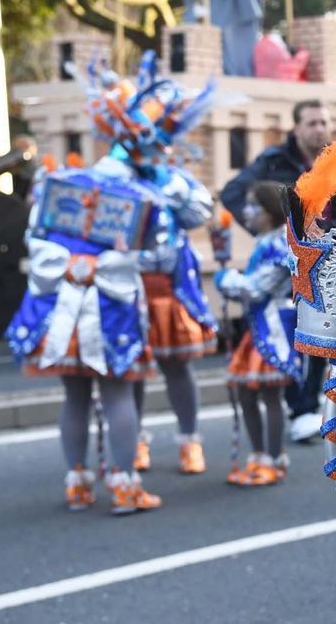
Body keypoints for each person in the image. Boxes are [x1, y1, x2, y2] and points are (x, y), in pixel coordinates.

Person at [4, 54, 223, 514]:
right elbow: (163, 239)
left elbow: (36, 237)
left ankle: (78, 483)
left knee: (77, 395)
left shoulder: (64, 182)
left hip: (71, 296)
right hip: (113, 300)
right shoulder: (141, 192)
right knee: (119, 390)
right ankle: (124, 485)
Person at [220, 99, 336, 442]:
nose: (319, 129)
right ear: (296, 128)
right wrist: (265, 229)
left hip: (325, 261)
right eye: (311, 123)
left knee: (319, 337)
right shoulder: (273, 161)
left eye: (323, 122)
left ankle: (306, 408)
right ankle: (295, 407)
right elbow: (233, 193)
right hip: (287, 265)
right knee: (289, 333)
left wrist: (335, 237)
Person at [132, 159, 217, 475]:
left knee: (178, 367)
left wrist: (167, 182)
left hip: (171, 287)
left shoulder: (173, 176)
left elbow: (198, 213)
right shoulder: (113, 173)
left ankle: (189, 440)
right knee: (131, 370)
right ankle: (133, 441)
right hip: (128, 289)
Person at [215, 182, 302, 486]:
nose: (247, 211)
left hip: (274, 326)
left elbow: (255, 288)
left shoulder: (278, 245)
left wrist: (227, 280)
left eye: (254, 205)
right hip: (258, 325)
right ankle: (260, 454)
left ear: (270, 211)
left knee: (269, 393)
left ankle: (273, 458)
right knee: (246, 392)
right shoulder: (264, 240)